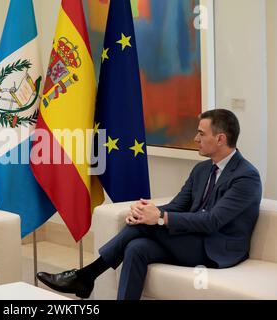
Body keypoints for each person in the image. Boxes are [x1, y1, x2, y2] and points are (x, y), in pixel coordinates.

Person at [37, 109, 262, 300]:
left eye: (201, 133)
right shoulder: (201, 170)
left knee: (144, 227)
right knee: (137, 248)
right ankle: (87, 280)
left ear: (221, 138)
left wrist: (158, 218)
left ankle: (86, 276)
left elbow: (213, 221)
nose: (195, 139)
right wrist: (146, 212)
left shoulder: (246, 177)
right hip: (192, 239)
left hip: (218, 248)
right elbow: (176, 206)